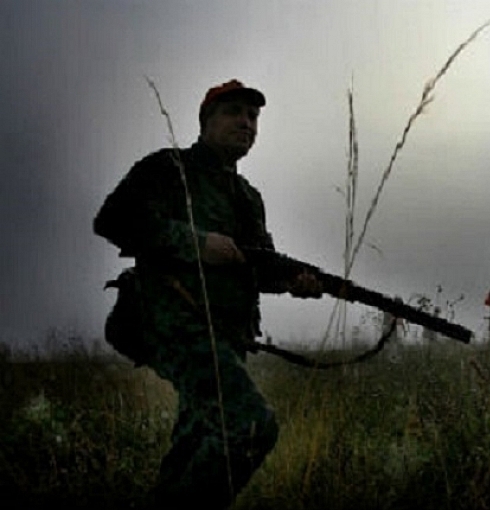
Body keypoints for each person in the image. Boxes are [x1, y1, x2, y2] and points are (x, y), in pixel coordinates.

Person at [94, 79, 322, 509]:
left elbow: (260, 268)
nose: (246, 122)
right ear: (206, 122)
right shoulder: (168, 168)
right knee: (250, 426)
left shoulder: (247, 197)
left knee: (196, 443)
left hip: (226, 337)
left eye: (252, 116)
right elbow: (112, 220)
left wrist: (295, 283)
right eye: (234, 112)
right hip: (174, 323)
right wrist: (196, 243)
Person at [382, 296, 408, 363]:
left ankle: (394, 358)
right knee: (392, 344)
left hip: (394, 330)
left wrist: (404, 329)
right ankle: (391, 359)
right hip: (390, 329)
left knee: (395, 344)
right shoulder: (388, 311)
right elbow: (386, 323)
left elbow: (400, 321)